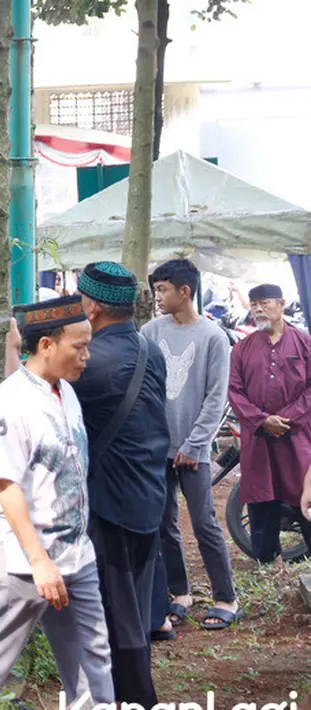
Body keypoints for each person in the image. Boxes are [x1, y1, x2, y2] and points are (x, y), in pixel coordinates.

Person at [0, 296, 113, 710]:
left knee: (94, 660)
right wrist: (39, 562)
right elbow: (7, 487)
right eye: (79, 346)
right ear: (46, 346)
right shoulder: (7, 405)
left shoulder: (65, 392)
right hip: (25, 559)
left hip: (75, 552)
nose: (87, 356)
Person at [69, 262, 168, 705]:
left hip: (112, 501)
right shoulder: (150, 349)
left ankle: (134, 699)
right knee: (135, 607)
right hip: (148, 493)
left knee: (116, 615)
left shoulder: (92, 361)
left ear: (91, 307)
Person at [141, 259, 239, 633]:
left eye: (163, 289)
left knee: (204, 523)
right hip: (156, 449)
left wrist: (195, 443)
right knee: (164, 523)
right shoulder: (150, 332)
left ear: (185, 291)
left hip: (193, 451)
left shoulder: (213, 337)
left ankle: (226, 597)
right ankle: (179, 593)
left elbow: (217, 399)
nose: (158, 297)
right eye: (156, 290)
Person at [227, 283, 311, 564]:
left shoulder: (304, 343)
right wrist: (263, 421)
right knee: (261, 498)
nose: (258, 309)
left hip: (297, 436)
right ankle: (265, 561)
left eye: (265, 303)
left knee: (306, 494)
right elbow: (234, 392)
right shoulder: (242, 349)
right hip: (259, 438)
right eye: (253, 304)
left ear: (282, 304)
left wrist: (288, 418)